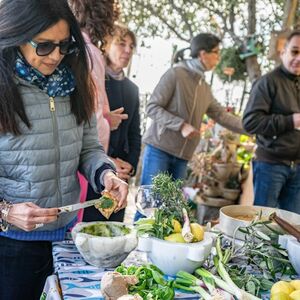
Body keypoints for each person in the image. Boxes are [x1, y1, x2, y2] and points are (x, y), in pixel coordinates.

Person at [0, 1, 128, 299]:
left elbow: (89, 148)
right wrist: (6, 211)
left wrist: (106, 174)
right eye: (44, 46)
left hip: (69, 237)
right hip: (12, 244)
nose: (56, 56)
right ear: (15, 36)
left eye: (64, 45)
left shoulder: (75, 83)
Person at [140, 33, 245, 186]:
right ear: (203, 54)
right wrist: (181, 125)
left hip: (183, 157)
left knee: (172, 209)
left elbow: (222, 116)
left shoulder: (205, 87)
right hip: (159, 150)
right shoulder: (175, 74)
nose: (219, 58)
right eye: (216, 52)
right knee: (149, 205)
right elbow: (151, 107)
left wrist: (254, 128)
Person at [83, 25, 141, 222]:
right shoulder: (93, 78)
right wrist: (107, 163)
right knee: (90, 229)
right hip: (95, 171)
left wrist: (130, 166)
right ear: (105, 45)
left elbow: (135, 133)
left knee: (112, 231)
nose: (127, 50)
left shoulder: (132, 89)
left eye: (131, 46)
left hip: (121, 174)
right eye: (121, 43)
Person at [242, 30, 300, 214]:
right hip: (271, 165)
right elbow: (250, 122)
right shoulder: (267, 82)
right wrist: (290, 121)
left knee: (291, 230)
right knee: (262, 224)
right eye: (295, 51)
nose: (298, 58)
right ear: (283, 52)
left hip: (297, 168)